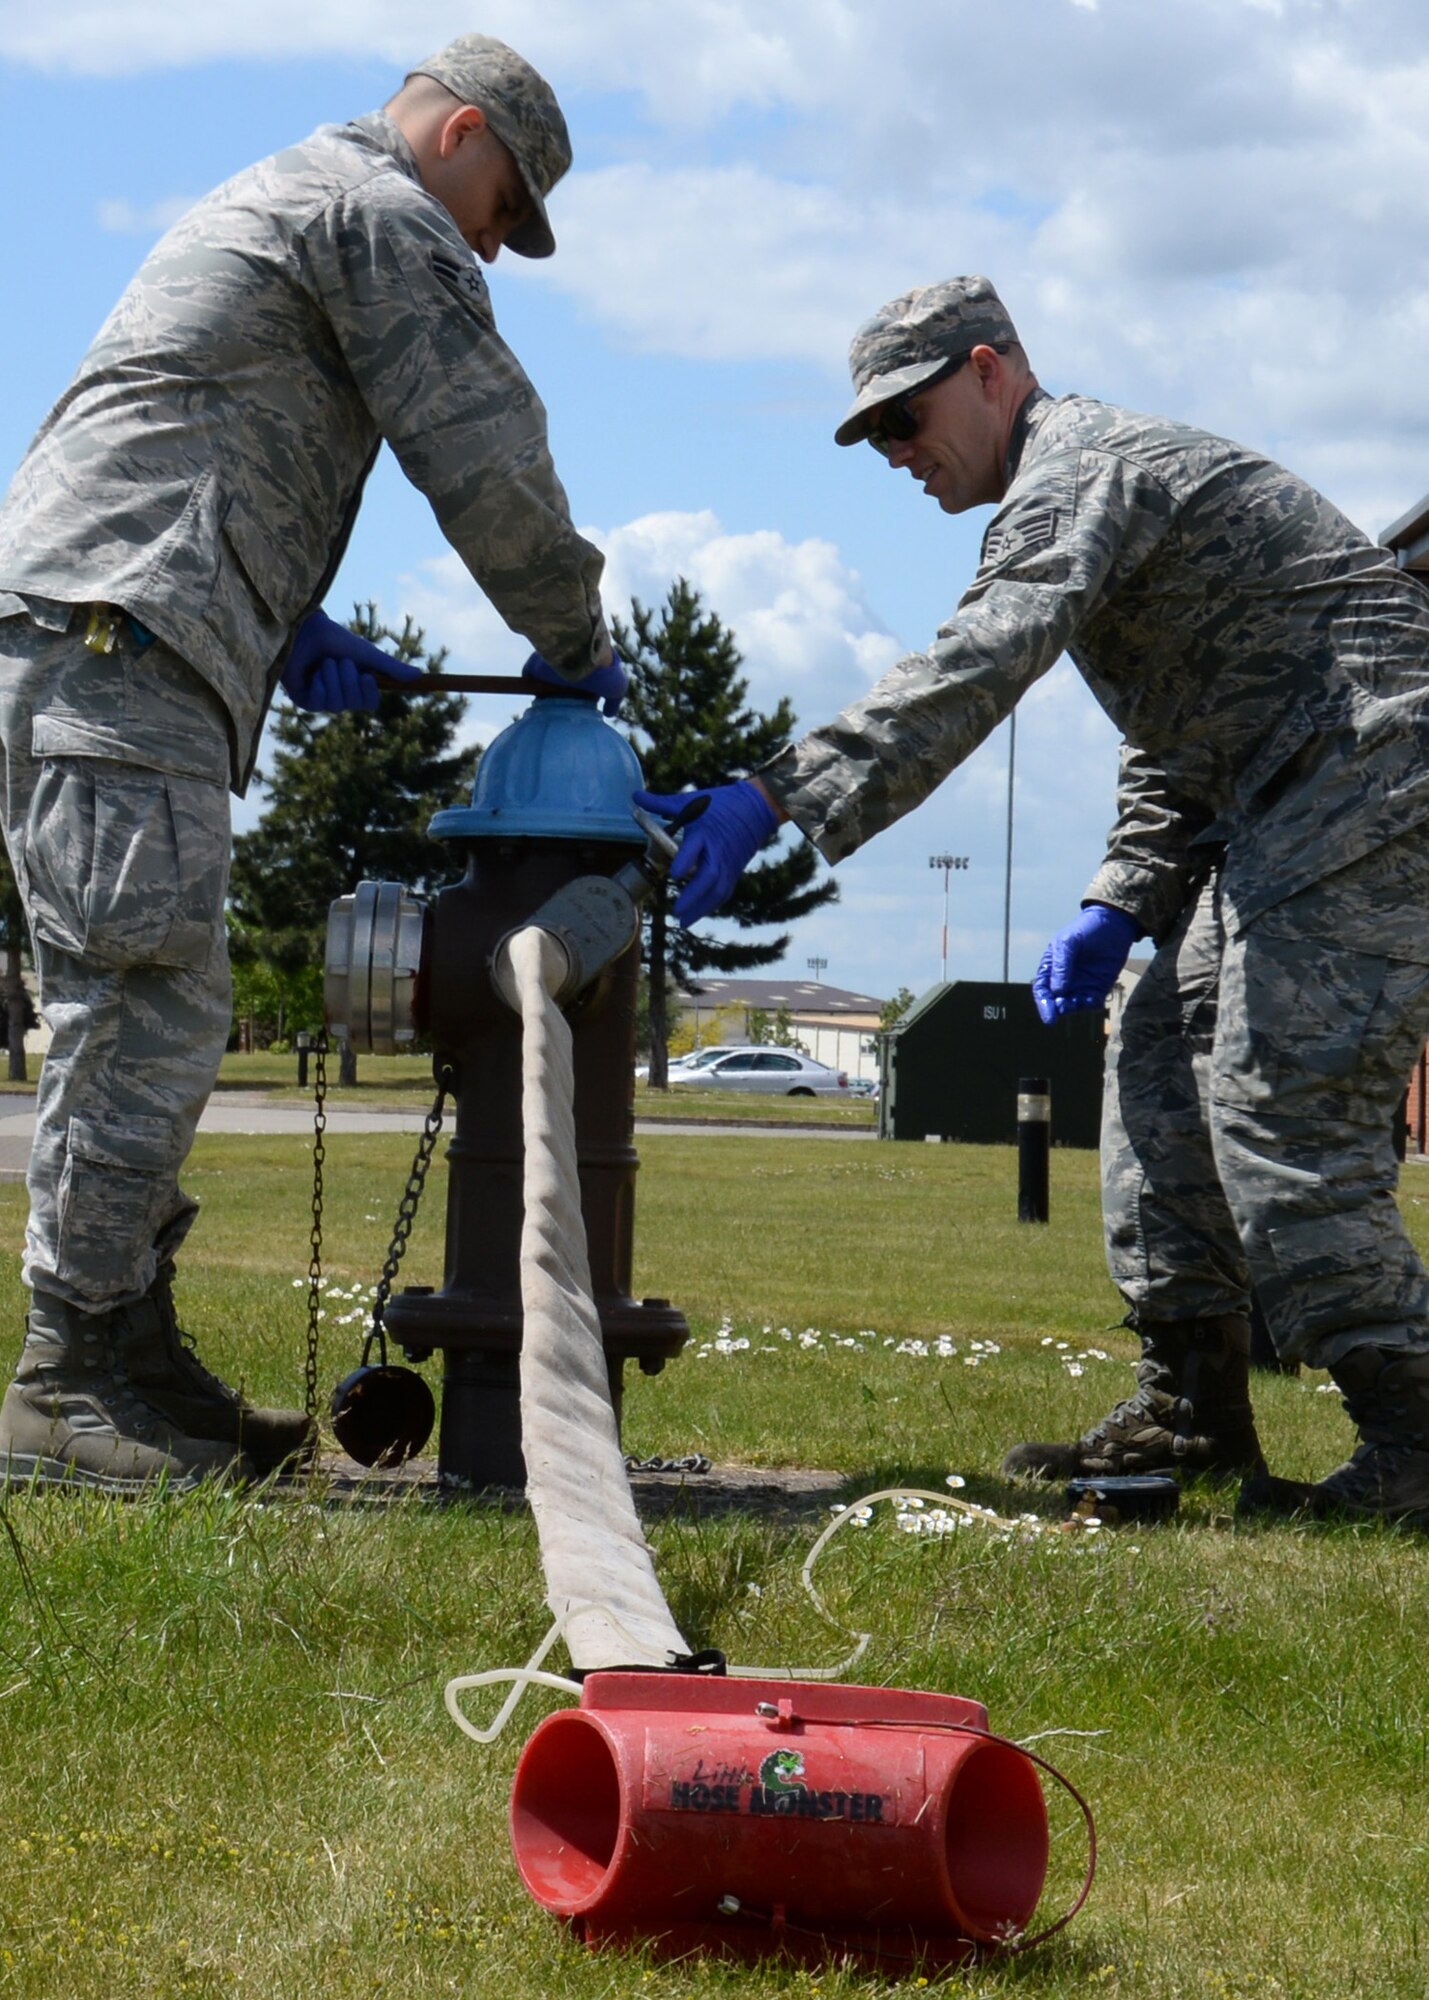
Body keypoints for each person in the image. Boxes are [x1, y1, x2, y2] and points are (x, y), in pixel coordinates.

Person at [636, 274, 1429, 1526]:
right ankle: (1192, 1404)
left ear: (992, 370)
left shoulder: (1081, 469)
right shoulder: (1087, 491)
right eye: (874, 437)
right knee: (1159, 1074)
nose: (896, 452)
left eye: (908, 416)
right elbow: (1182, 729)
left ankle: (1414, 1437)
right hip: (1279, 799)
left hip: (1371, 776)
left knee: (1281, 1107)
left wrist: (778, 793)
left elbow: (983, 653)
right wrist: (1120, 897)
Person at [0, 33, 623, 1491]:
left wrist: (291, 624)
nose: (493, 243)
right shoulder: (383, 212)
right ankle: (65, 1386)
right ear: (461, 132)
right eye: (503, 209)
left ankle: (130, 1360)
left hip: (125, 624)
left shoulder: (294, 195)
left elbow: (195, 422)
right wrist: (576, 631)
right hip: (121, 639)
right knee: (140, 1002)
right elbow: (483, 448)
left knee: (161, 1001)